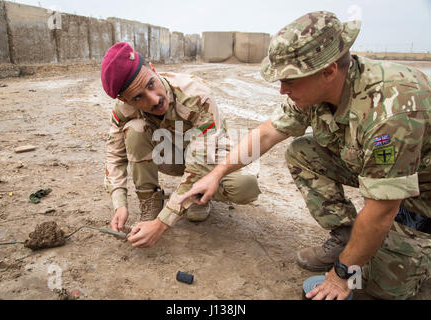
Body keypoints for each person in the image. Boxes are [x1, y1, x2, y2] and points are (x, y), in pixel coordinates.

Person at [179, 11, 431, 300]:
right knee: (302, 152)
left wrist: (340, 275)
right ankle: (347, 236)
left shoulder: (390, 109)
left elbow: (382, 209)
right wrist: (216, 174)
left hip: (422, 197)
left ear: (328, 71)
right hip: (383, 175)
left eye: (290, 80)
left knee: (382, 287)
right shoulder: (317, 91)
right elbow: (268, 133)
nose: (282, 89)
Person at [101, 42, 261, 248]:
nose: (155, 99)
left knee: (243, 186)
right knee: (135, 130)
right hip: (172, 155)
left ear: (153, 68)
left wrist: (161, 223)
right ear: (126, 100)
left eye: (151, 84)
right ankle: (150, 200)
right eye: (139, 97)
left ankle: (199, 198)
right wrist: (119, 204)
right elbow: (114, 154)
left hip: (208, 157)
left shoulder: (196, 96)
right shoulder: (124, 108)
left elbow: (200, 165)